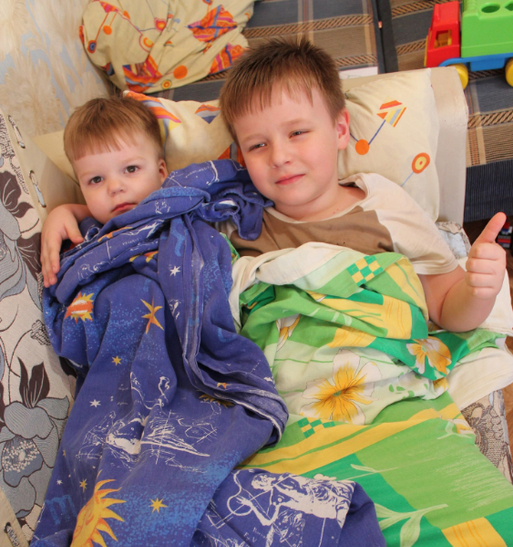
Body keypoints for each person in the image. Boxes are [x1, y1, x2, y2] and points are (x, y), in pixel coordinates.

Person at [216, 38, 507, 333]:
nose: (279, 157)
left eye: (297, 132)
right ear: (241, 157)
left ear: (340, 130)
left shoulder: (383, 207)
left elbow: (446, 307)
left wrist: (478, 292)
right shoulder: (233, 223)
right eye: (257, 145)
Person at [41, 95, 168, 287]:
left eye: (131, 169)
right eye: (96, 179)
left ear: (161, 172)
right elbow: (91, 212)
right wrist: (61, 212)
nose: (115, 187)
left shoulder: (181, 201)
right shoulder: (93, 227)